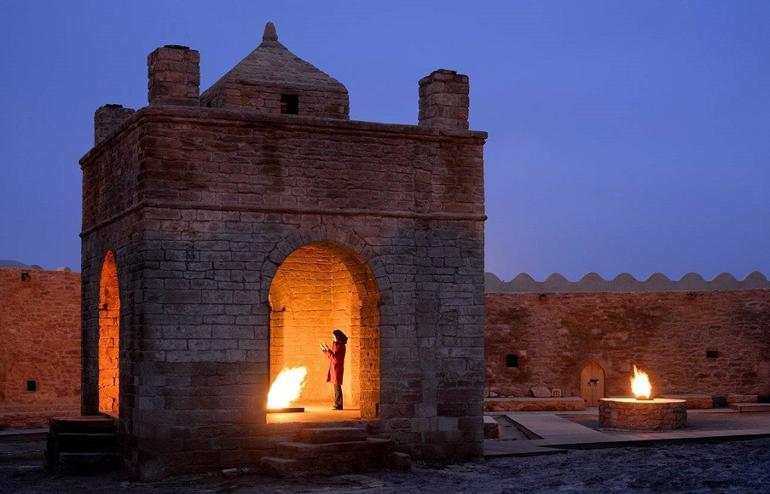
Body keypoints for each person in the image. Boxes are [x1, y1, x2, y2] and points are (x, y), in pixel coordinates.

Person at [321, 329, 347, 410]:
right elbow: (332, 356)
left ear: (337, 337)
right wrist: (326, 350)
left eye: (333, 336)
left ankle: (339, 405)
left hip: (337, 368)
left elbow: (335, 358)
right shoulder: (336, 344)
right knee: (336, 387)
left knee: (337, 386)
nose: (332, 337)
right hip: (334, 368)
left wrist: (327, 350)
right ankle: (337, 404)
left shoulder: (341, 346)